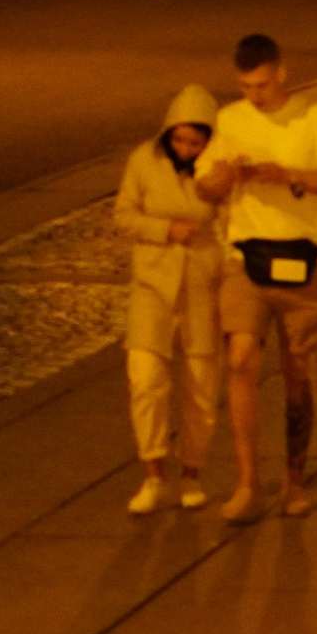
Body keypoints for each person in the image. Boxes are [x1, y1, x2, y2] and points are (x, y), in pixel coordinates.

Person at [195, 32, 317, 522]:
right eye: (245, 86)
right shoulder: (229, 121)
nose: (254, 95)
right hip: (246, 256)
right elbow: (206, 187)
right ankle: (247, 482)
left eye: (262, 84)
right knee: (240, 357)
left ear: (281, 73)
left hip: (305, 259)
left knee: (297, 372)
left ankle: (294, 480)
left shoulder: (314, 117)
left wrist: (288, 176)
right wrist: (226, 175)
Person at [114, 96, 224, 514]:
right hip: (152, 283)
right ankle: (153, 473)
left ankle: (192, 473)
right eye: (179, 140)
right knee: (145, 380)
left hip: (201, 285)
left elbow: (233, 219)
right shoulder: (144, 160)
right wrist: (164, 229)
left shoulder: (219, 168)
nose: (185, 148)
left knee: (200, 386)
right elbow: (123, 215)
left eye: (195, 142)